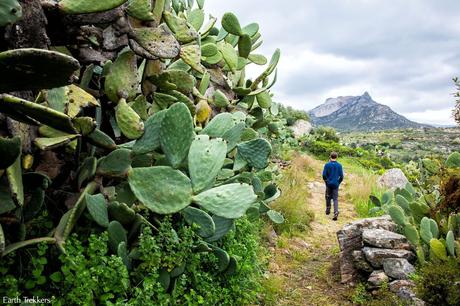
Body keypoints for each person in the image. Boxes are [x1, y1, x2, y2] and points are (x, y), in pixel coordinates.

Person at [322, 152, 344, 221]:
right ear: (336, 157)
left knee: (328, 196)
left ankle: (328, 210)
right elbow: (342, 176)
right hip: (336, 184)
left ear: (330, 156)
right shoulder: (339, 165)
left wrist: (326, 181)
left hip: (329, 183)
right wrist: (338, 182)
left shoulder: (327, 165)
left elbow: (324, 175)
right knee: (335, 199)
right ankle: (336, 212)